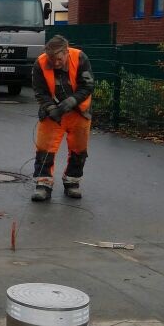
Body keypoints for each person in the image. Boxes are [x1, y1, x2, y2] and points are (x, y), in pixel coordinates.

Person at [31, 35, 95, 202]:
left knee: (79, 150)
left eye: (58, 59)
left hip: (79, 112)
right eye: (52, 60)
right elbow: (40, 92)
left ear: (66, 52)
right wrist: (52, 108)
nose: (55, 63)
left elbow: (87, 85)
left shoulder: (80, 57)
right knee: (45, 148)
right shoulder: (40, 63)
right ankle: (43, 184)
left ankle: (72, 182)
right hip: (53, 113)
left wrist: (71, 101)